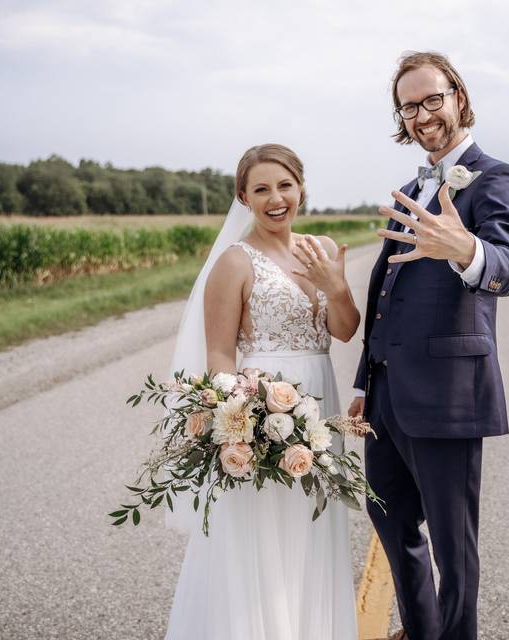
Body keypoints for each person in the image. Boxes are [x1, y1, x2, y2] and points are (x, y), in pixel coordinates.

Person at [348, 51, 509, 640]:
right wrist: (364, 383)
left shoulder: (494, 178)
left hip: (449, 395)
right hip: (387, 395)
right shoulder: (409, 188)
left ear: (457, 96)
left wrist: (465, 250)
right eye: (409, 105)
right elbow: (386, 295)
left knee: (454, 543)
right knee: (388, 514)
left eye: (432, 99)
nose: (422, 113)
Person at [164, 143, 361, 639]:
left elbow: (344, 329)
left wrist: (334, 287)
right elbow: (219, 358)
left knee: (310, 526)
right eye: (262, 189)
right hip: (259, 411)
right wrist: (239, 426)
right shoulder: (234, 262)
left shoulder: (321, 247)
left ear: (300, 188)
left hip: (319, 405)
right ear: (243, 197)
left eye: (285, 185)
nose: (276, 198)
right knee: (262, 533)